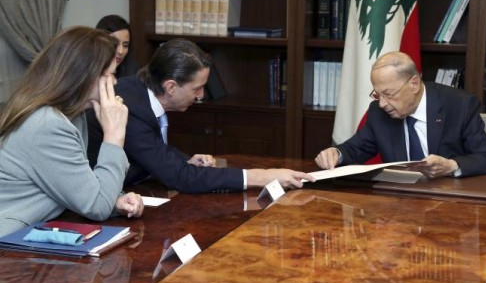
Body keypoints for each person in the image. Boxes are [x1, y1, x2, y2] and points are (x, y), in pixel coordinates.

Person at [87, 38, 315, 193]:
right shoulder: (128, 107)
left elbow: (151, 146)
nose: (201, 95)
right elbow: (180, 178)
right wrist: (261, 177)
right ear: (171, 87)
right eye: (197, 88)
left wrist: (183, 159)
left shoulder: (141, 89)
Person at [0, 26, 144, 237]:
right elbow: (96, 207)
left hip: (35, 233)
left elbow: (76, 185)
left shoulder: (71, 115)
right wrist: (114, 136)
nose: (114, 83)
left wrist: (115, 200)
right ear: (85, 76)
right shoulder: (48, 124)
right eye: (110, 75)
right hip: (10, 244)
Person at [315, 51, 486, 178]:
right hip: (399, 202)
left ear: (414, 84)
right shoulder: (378, 112)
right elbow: (356, 149)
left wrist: (451, 166)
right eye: (378, 94)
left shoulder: (459, 105)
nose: (382, 103)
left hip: (449, 198)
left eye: (389, 94)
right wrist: (336, 153)